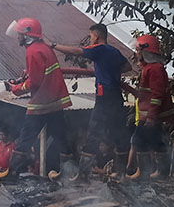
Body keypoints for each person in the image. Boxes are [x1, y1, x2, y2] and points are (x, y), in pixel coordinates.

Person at [46, 23, 132, 180]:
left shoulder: (99, 49)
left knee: (94, 133)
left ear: (97, 36)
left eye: (91, 36)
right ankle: (120, 174)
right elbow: (127, 66)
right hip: (116, 96)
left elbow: (77, 51)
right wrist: (110, 70)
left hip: (104, 97)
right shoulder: (114, 51)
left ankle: (83, 176)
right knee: (119, 133)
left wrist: (52, 45)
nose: (90, 39)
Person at [3, 17, 71, 178]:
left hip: (41, 104)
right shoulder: (42, 49)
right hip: (54, 102)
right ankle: (70, 173)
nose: (18, 37)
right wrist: (25, 76)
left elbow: (34, 82)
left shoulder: (32, 51)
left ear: (27, 35)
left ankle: (11, 173)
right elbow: (38, 74)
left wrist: (15, 89)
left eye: (19, 34)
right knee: (61, 137)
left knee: (25, 137)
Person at [129, 34, 174, 181]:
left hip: (149, 115)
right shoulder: (150, 67)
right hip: (148, 114)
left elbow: (157, 94)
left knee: (138, 141)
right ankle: (161, 173)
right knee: (155, 141)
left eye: (138, 50)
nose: (136, 53)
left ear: (145, 51)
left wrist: (151, 116)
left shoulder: (155, 69)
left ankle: (143, 173)